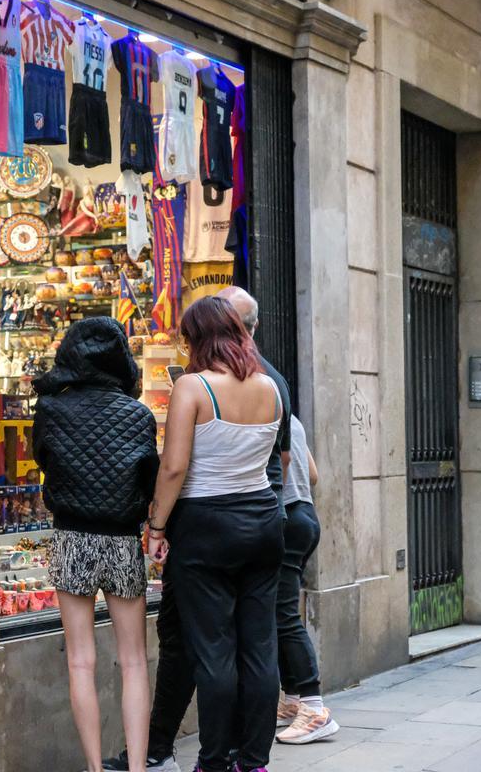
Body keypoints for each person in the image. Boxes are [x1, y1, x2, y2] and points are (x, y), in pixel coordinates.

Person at [106, 287, 292, 772]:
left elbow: (173, 469)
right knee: (259, 646)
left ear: (199, 338)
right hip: (264, 520)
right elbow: (276, 459)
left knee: (212, 651)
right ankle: (252, 760)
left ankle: (211, 761)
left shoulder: (194, 386)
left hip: (207, 524)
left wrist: (156, 527)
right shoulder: (270, 387)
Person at [32, 317, 161, 772]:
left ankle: (93, 767)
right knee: (134, 663)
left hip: (73, 537)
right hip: (123, 541)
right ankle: (139, 767)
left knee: (81, 662)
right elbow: (150, 480)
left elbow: (41, 458)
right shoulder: (139, 414)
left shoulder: (51, 408)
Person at [274, 415, 338, 743]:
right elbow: (312, 474)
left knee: (284, 616)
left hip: (285, 518)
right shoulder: (291, 416)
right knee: (278, 613)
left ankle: (314, 707)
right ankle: (291, 699)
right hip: (305, 516)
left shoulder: (260, 405)